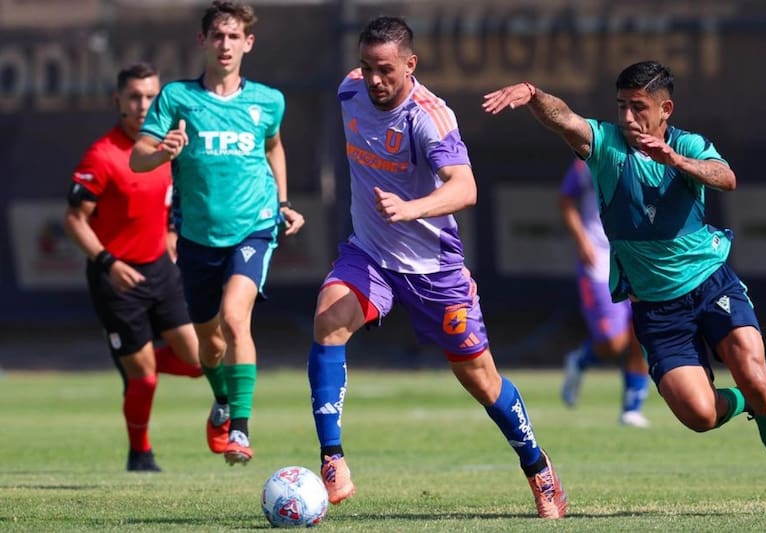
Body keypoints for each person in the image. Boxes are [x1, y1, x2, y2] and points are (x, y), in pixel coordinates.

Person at [483, 60, 766, 514]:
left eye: (638, 107)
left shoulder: (689, 144)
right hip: (657, 307)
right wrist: (534, 95)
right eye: (622, 107)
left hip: (711, 284)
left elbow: (726, 178)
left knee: (754, 372)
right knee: (699, 415)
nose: (628, 117)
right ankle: (754, 402)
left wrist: (676, 161)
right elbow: (565, 119)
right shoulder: (606, 146)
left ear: (665, 109)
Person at [306, 16, 567, 519]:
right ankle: (332, 458)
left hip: (434, 269)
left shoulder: (430, 117)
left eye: (385, 69)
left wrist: (412, 209)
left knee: (481, 380)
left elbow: (465, 188)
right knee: (328, 318)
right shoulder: (349, 90)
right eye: (366, 66)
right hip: (371, 255)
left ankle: (538, 467)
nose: (374, 79)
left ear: (411, 64)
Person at [129, 1, 305, 466]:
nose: (225, 45)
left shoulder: (268, 101)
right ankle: (222, 400)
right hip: (197, 237)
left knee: (235, 317)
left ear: (248, 43)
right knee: (210, 344)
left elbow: (274, 146)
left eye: (234, 36)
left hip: (253, 228)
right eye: (218, 36)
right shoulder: (177, 98)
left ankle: (240, 430)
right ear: (203, 41)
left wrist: (283, 203)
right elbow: (138, 158)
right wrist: (163, 152)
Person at [64, 62, 204, 472]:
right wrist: (109, 262)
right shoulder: (102, 155)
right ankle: (139, 454)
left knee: (200, 362)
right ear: (118, 101)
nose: (143, 105)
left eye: (150, 96)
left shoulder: (167, 148)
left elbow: (171, 200)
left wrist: (172, 232)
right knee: (143, 379)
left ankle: (134, 354)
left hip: (160, 270)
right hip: (117, 279)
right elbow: (74, 220)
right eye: (134, 97)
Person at [558, 158, 651, 428]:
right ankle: (580, 360)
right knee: (614, 342)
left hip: (638, 260)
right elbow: (565, 200)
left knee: (643, 334)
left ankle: (632, 409)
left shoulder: (652, 156)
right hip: (598, 263)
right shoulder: (588, 159)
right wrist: (582, 240)